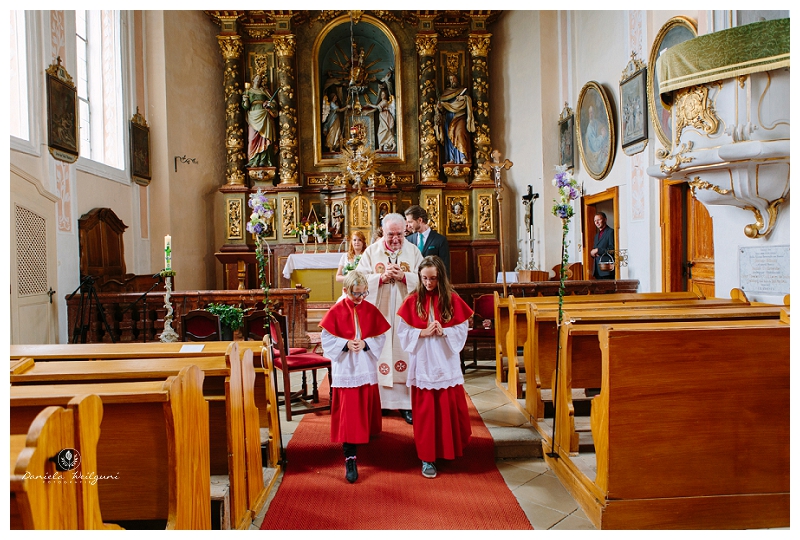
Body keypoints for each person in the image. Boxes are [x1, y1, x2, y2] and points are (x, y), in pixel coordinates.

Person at [396, 256, 474, 479]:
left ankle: (448, 450)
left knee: (447, 407)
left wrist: (444, 331)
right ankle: (427, 457)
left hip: (444, 359)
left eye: (433, 279)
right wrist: (422, 331)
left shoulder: (452, 299)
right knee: (426, 411)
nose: (428, 283)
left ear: (441, 277)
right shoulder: (413, 300)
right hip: (423, 361)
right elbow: (402, 332)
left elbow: (461, 329)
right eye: (424, 279)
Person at [319, 271, 391, 483]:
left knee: (364, 402)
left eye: (363, 293)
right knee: (349, 410)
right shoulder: (336, 311)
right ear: (345, 291)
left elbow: (380, 335)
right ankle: (350, 456)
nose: (360, 298)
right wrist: (345, 344)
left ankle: (364, 434)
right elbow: (327, 338)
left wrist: (366, 343)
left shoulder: (369, 308)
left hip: (365, 364)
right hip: (346, 366)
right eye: (355, 294)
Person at [355, 213, 424, 424]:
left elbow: (426, 278)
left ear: (406, 231)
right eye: (390, 234)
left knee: (405, 353)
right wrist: (380, 278)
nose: (395, 239)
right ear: (382, 232)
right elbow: (357, 279)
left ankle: (406, 406)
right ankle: (382, 403)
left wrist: (404, 277)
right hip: (381, 314)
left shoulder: (413, 252)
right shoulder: (371, 252)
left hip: (406, 316)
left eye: (399, 234)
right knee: (381, 353)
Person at [436, 74, 475, 164]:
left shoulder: (462, 91)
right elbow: (443, 108)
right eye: (450, 79)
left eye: (454, 78)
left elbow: (469, 101)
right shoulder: (445, 93)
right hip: (449, 117)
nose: (453, 80)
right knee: (449, 138)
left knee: (460, 133)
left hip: (460, 116)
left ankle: (463, 157)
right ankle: (451, 158)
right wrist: (440, 106)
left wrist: (463, 98)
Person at [242, 75, 279, 168]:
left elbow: (274, 103)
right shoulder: (248, 91)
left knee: (265, 138)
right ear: (253, 79)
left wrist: (269, 104)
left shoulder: (264, 91)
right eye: (256, 78)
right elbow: (245, 107)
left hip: (264, 116)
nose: (258, 80)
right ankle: (252, 160)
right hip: (253, 116)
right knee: (252, 138)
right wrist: (245, 100)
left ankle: (265, 160)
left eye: (260, 79)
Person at [405, 205, 450, 276]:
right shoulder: (408, 240)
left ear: (420, 220)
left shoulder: (440, 240)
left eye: (410, 222)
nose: (408, 226)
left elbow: (445, 268)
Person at [590, 212, 615, 279]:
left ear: (605, 220)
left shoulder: (611, 232)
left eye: (599, 220)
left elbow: (612, 250)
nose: (597, 222)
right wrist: (592, 253)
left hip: (607, 269)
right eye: (595, 221)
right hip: (597, 270)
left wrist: (598, 250)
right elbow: (595, 250)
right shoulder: (596, 236)